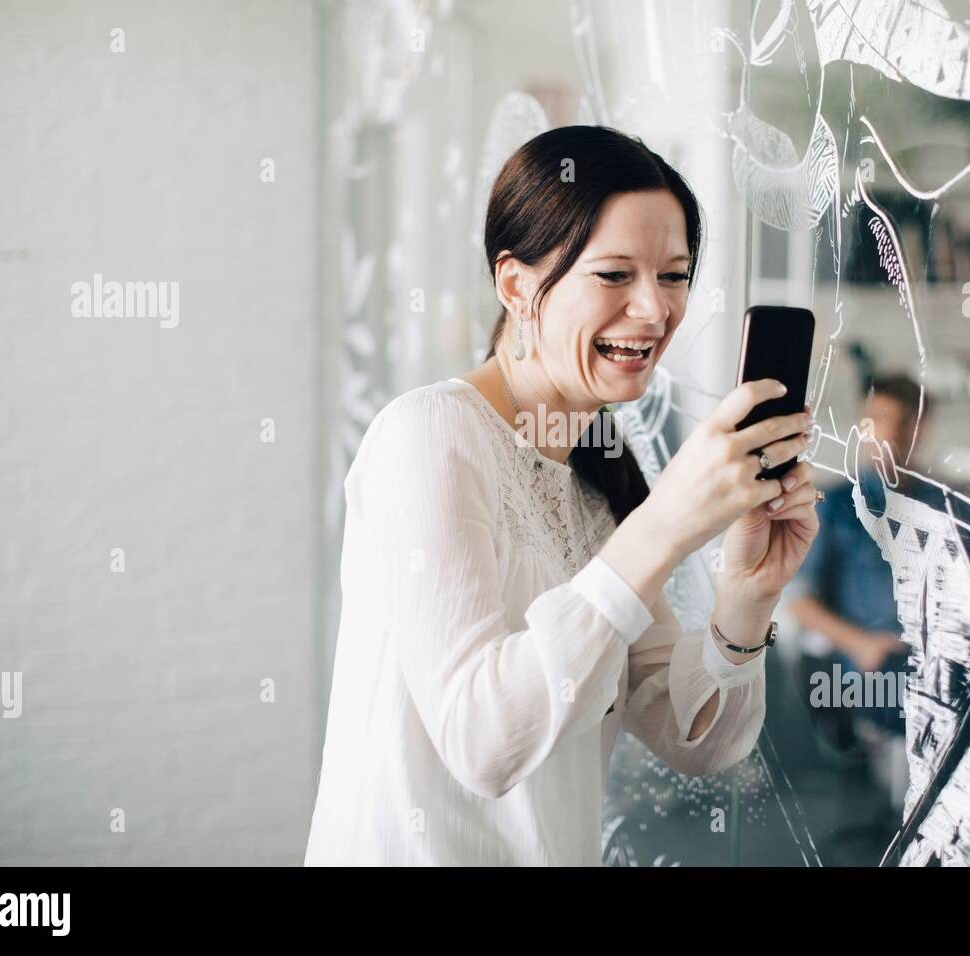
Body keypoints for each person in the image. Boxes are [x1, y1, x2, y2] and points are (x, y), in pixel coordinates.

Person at [304, 125, 821, 865]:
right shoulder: (427, 435)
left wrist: (748, 593)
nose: (653, 310)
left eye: (673, 275)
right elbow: (481, 741)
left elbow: (692, 737)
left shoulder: (595, 479)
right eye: (615, 275)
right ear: (517, 285)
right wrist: (665, 524)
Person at [787, 373, 933, 740]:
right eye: (880, 420)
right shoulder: (836, 507)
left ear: (921, 428)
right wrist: (860, 644)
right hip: (874, 662)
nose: (891, 434)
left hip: (938, 655)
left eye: (904, 422)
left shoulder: (941, 507)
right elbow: (800, 603)